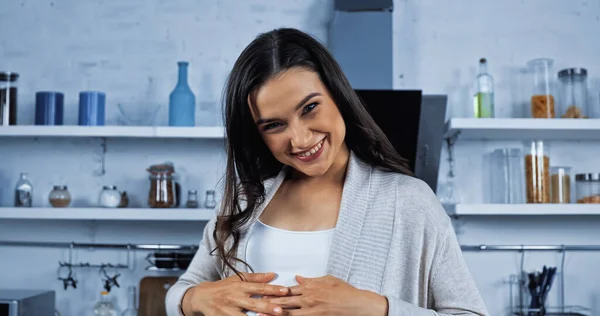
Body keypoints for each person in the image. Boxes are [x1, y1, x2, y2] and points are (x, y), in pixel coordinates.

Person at [165, 27, 488, 316]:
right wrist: (192, 299)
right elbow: (186, 289)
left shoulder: (408, 201)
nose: (301, 139)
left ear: (338, 95)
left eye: (310, 108)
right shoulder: (245, 202)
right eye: (274, 125)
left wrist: (377, 308)